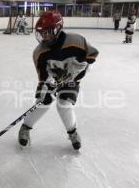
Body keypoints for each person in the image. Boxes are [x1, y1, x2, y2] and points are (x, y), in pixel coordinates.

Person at [18, 11, 98, 150]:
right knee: (42, 103)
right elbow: (43, 76)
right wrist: (46, 88)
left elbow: (92, 55)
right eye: (42, 33)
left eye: (48, 32)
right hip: (53, 79)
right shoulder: (39, 53)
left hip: (73, 78)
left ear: (58, 28)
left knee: (64, 104)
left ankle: (72, 132)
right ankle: (25, 127)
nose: (44, 36)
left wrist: (78, 72)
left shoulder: (76, 41)